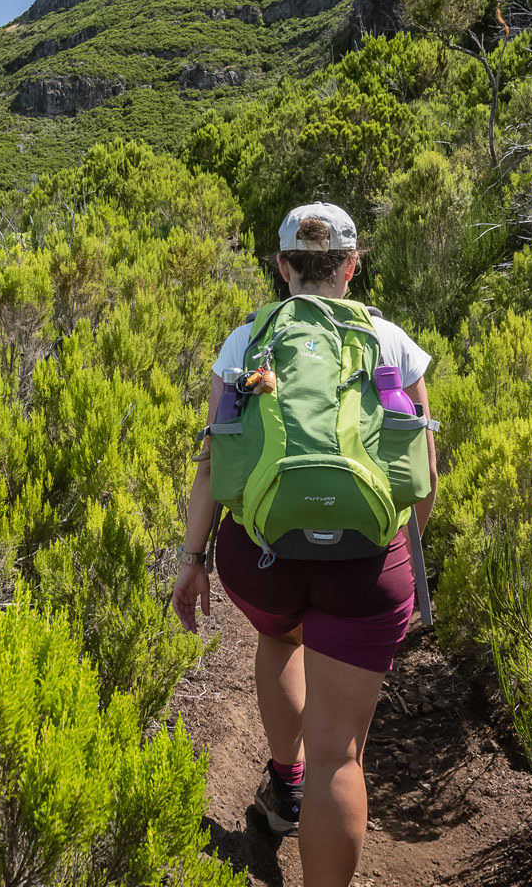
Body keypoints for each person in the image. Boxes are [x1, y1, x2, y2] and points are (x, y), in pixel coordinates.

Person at [172, 202, 437, 887]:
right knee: (340, 759)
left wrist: (191, 560)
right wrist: (396, 560)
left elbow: (212, 464)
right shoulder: (394, 344)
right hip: (366, 566)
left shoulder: (246, 343)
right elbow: (424, 474)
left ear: (282, 267)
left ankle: (284, 785)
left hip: (262, 559)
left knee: (283, 638)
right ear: (351, 267)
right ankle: (310, 779)